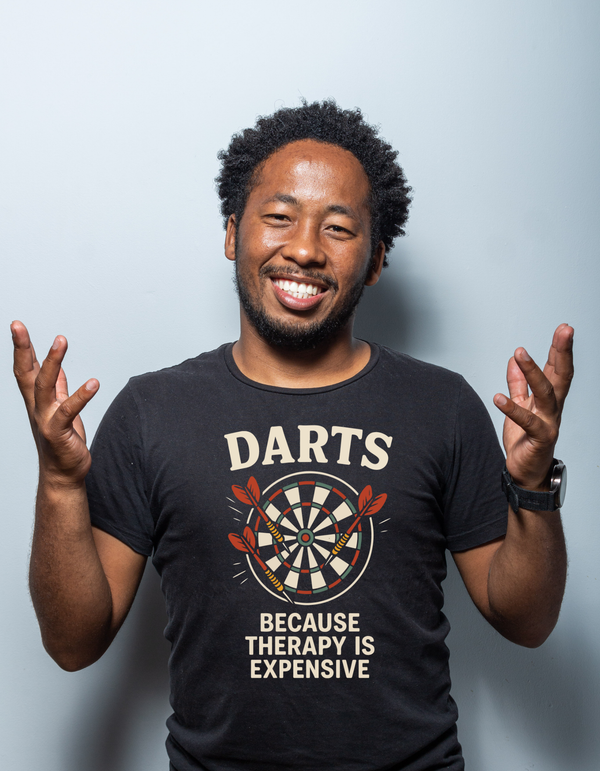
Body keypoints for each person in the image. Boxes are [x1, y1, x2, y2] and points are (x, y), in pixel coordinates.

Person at [12, 100, 573, 771]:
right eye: (279, 217)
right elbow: (73, 644)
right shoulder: (150, 412)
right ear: (232, 233)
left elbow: (526, 621)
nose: (305, 248)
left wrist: (532, 485)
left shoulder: (442, 406)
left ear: (375, 260)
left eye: (339, 228)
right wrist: (59, 483)